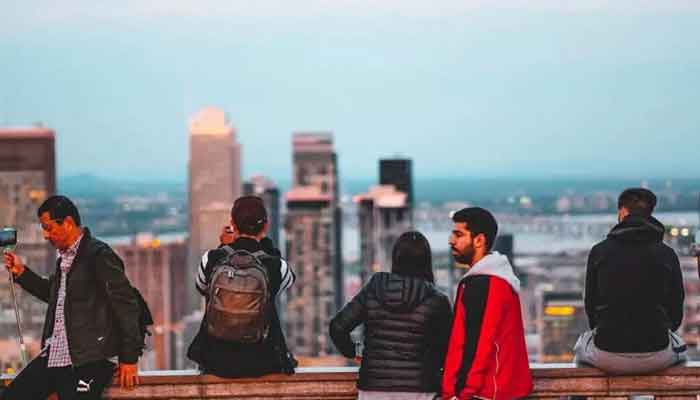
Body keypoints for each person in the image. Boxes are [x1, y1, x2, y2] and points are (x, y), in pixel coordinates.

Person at [2, 195, 143, 399]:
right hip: (55, 356)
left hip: (87, 361)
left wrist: (129, 358)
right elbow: (54, 294)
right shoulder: (66, 258)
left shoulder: (98, 255)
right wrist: (22, 273)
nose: (45, 235)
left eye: (48, 227)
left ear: (67, 223)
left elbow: (126, 304)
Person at [574, 188, 686, 374]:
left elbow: (591, 308)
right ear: (650, 213)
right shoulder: (667, 254)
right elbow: (676, 312)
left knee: (580, 350)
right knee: (681, 352)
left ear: (623, 212)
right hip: (657, 352)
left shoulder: (599, 252)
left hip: (607, 351)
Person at [330, 231, 453, 400]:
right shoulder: (437, 300)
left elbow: (337, 327)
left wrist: (355, 351)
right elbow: (448, 348)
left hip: (373, 388)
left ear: (396, 258)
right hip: (420, 389)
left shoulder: (374, 288)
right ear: (427, 261)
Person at [187, 195, 297, 377]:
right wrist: (265, 245)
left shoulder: (211, 259)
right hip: (263, 362)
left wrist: (223, 246)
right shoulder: (276, 265)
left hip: (216, 361)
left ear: (232, 224)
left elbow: (202, 287)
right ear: (266, 226)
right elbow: (288, 281)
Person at [442, 207, 532, 400]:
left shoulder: (484, 284)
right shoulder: (497, 279)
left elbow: (478, 344)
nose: (451, 241)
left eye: (459, 235)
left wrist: (463, 393)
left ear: (479, 240)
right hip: (497, 390)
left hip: (487, 393)